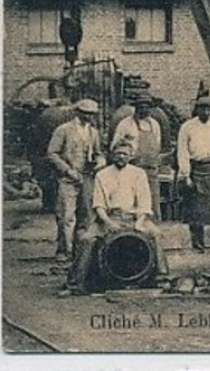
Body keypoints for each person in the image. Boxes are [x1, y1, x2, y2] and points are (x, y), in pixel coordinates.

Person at [61, 137, 169, 295]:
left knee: (156, 234)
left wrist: (139, 222)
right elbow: (99, 205)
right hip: (109, 216)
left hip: (134, 217)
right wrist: (108, 222)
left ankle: (162, 278)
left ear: (131, 156)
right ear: (112, 155)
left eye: (125, 154)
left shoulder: (138, 174)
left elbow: (145, 203)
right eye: (118, 154)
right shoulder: (102, 175)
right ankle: (76, 284)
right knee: (86, 239)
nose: (121, 157)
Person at [44, 98, 104, 261]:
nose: (88, 117)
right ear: (78, 112)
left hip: (87, 178)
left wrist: (99, 162)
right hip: (67, 179)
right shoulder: (63, 130)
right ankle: (64, 250)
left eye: (91, 114)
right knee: (66, 215)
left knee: (87, 215)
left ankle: (81, 250)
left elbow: (99, 153)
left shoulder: (93, 132)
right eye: (85, 113)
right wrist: (68, 170)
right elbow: (52, 153)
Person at [175, 93, 210, 251]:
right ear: (196, 109)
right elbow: (183, 151)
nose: (205, 112)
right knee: (195, 210)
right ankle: (198, 244)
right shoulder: (187, 127)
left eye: (208, 109)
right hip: (196, 169)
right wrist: (186, 175)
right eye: (202, 109)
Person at [110, 94, 165, 213]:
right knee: (131, 198)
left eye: (146, 107)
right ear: (136, 108)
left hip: (151, 169)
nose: (144, 110)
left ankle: (152, 228)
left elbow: (157, 144)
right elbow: (115, 146)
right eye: (141, 107)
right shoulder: (125, 124)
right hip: (132, 167)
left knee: (152, 199)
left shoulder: (154, 124)